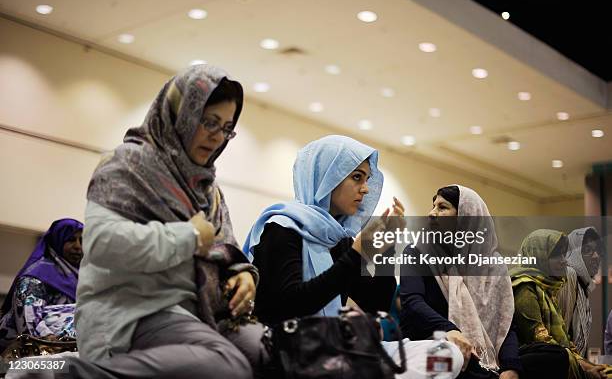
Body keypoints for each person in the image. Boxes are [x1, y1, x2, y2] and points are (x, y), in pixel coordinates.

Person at [60, 64, 261, 378]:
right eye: (208, 122)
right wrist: (188, 237)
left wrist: (244, 275)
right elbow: (100, 243)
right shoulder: (127, 164)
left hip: (199, 313)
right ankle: (61, 373)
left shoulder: (207, 188)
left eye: (226, 128)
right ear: (183, 114)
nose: (217, 136)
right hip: (131, 311)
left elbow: (226, 248)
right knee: (228, 366)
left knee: (268, 352)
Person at [243, 135, 397, 324]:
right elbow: (289, 307)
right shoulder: (281, 228)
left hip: (323, 344)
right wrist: (355, 255)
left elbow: (376, 304)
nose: (365, 189)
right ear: (327, 178)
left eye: (367, 179)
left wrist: (385, 251)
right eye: (357, 177)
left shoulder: (340, 239)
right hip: (280, 346)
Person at [400, 185, 521, 379]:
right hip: (434, 343)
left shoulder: (492, 266)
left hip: (487, 356)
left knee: (550, 356)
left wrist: (511, 367)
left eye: (442, 207)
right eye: (433, 206)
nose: (431, 213)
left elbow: (505, 324)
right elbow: (413, 303)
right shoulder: (416, 252)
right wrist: (450, 330)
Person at [511, 229, 607, 379]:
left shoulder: (548, 288)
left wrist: (593, 368)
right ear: (538, 257)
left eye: (563, 254)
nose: (564, 260)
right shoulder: (525, 287)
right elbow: (542, 341)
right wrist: (586, 369)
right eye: (556, 255)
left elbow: (566, 342)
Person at [0, 218, 83, 352]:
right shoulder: (36, 276)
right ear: (57, 241)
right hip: (27, 350)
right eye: (71, 239)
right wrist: (48, 339)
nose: (78, 246)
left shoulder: (81, 278)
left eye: (82, 241)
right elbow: (28, 318)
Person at [558, 227, 602, 356]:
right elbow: (561, 338)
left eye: (597, 251)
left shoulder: (583, 285)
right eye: (588, 251)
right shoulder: (568, 276)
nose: (596, 256)